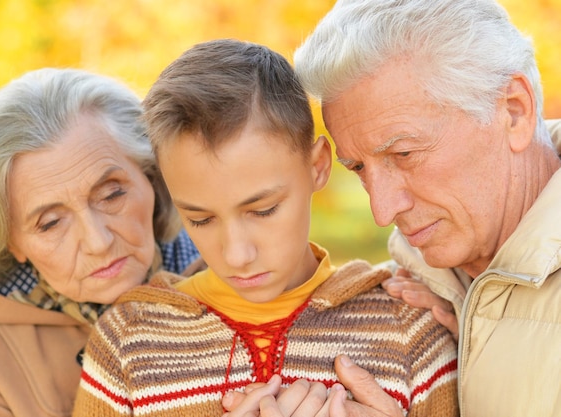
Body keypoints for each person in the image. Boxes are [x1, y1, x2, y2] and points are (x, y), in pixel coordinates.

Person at [72, 39, 458, 417]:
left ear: (317, 166)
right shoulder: (128, 341)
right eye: (201, 219)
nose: (237, 254)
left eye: (264, 209)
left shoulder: (410, 330)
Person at [289, 0, 561, 415]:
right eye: (359, 167)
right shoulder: (412, 285)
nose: (382, 211)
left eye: (405, 153)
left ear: (514, 112)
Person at [0, 68, 203, 417]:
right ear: (9, 241)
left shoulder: (240, 272)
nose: (98, 241)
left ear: (151, 175)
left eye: (111, 195)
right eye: (50, 223)